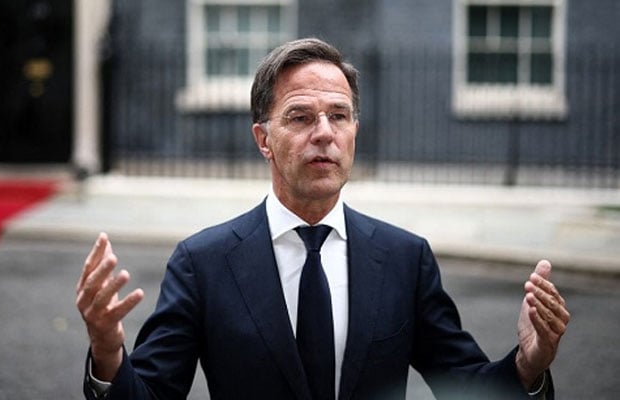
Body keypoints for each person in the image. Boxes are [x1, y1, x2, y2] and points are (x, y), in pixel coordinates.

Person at [76, 38, 570, 399]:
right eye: (300, 116)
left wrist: (527, 364)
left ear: (355, 130)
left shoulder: (403, 258)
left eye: (339, 114)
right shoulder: (203, 263)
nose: (324, 133)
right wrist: (107, 353)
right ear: (263, 139)